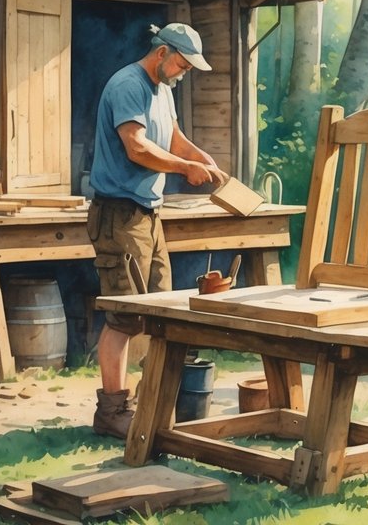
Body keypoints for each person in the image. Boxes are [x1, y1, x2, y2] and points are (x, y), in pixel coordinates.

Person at [87, 22, 229, 438]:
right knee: (124, 316)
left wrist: (201, 158)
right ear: (162, 52)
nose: (184, 73)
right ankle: (112, 411)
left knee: (161, 310)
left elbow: (173, 137)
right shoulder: (127, 86)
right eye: (183, 64)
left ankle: (154, 402)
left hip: (149, 214)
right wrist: (185, 169)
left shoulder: (163, 89)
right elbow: (137, 147)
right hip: (119, 214)